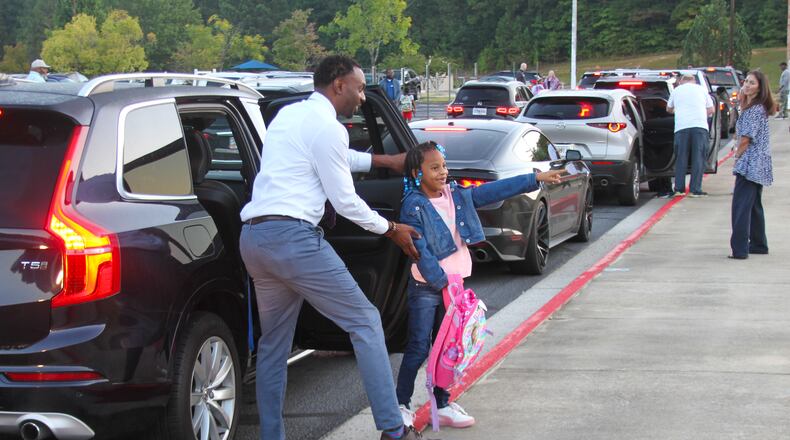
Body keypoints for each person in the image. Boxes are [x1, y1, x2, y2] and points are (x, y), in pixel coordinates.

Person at [239, 55, 424, 440]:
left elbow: (333, 157)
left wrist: (384, 160)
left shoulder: (289, 117)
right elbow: (345, 202)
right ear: (338, 84)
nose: (360, 97)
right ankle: (393, 428)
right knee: (366, 322)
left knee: (274, 345)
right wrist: (390, 228)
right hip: (295, 241)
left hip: (255, 239)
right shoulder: (329, 128)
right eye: (358, 88)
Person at [394, 141, 564, 428]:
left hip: (455, 287)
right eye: (434, 168)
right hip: (428, 288)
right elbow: (419, 251)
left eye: (444, 166)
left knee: (450, 347)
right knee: (420, 346)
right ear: (417, 172)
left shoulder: (457, 195)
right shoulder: (413, 206)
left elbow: (495, 190)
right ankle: (401, 404)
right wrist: (442, 284)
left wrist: (534, 178)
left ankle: (442, 402)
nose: (442, 172)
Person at [729, 71, 774, 260]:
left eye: (752, 83)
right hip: (760, 163)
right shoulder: (756, 108)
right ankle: (758, 243)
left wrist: (737, 156)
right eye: (746, 82)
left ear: (760, 87)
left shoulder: (754, 110)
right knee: (754, 205)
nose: (747, 85)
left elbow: (746, 138)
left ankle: (739, 249)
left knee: (740, 207)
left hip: (750, 164)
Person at [667, 74, 714, 197]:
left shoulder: (676, 90)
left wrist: (676, 111)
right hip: (699, 127)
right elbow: (711, 109)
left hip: (681, 127)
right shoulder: (702, 89)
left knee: (681, 158)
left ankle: (679, 189)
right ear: (694, 81)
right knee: (698, 158)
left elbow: (668, 108)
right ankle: (695, 189)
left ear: (681, 81)